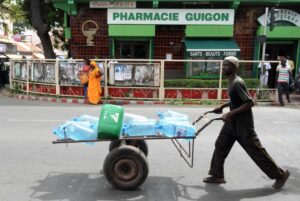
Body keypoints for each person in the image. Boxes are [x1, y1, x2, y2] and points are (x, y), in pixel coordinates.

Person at [203, 56, 290, 190]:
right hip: (231, 124)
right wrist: (223, 106)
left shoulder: (238, 82)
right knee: (220, 145)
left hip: (243, 125)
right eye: (223, 65)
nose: (223, 67)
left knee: (256, 152)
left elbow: (249, 103)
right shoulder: (230, 80)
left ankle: (280, 175)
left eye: (226, 65)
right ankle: (217, 175)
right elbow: (236, 100)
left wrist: (230, 113)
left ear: (233, 67)